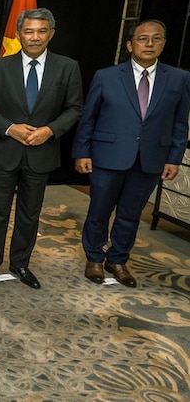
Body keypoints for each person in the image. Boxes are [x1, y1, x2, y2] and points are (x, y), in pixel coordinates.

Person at [73, 19, 190, 288]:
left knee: (130, 213)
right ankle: (93, 258)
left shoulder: (180, 79)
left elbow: (180, 123)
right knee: (99, 210)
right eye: (142, 38)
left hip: (150, 159)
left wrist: (174, 158)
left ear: (163, 43)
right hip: (107, 156)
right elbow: (88, 118)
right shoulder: (107, 76)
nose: (149, 44)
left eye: (156, 38)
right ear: (130, 44)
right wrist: (82, 152)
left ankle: (118, 260)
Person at [0, 8, 83, 289]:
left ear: (51, 34)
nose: (35, 37)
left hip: (41, 154)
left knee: (29, 214)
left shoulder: (68, 67)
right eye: (29, 31)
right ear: (19, 34)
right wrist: (11, 128)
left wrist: (49, 131)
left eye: (41, 31)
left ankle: (21, 265)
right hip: (4, 151)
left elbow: (74, 109)